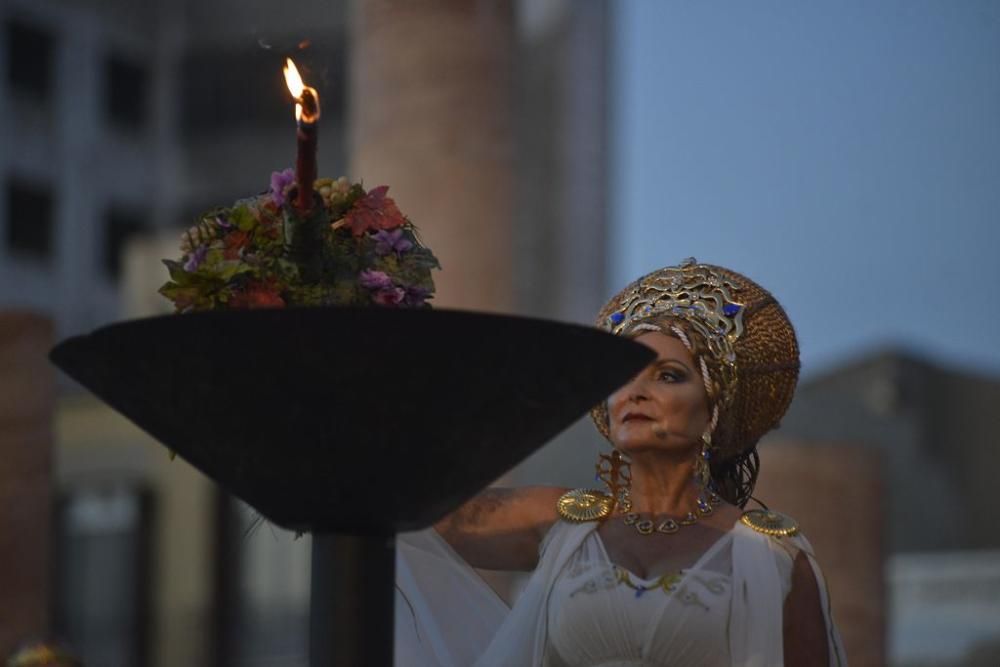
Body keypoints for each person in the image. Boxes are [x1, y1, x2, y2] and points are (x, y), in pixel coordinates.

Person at [395, 259, 847, 666]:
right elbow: (409, 515)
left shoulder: (772, 556)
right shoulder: (563, 524)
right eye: (624, 376)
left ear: (713, 408)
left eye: (668, 376)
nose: (636, 392)